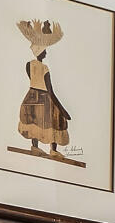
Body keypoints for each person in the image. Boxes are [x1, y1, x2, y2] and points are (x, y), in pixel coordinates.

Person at [12, 18, 78, 163]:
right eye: (45, 51)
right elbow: (50, 91)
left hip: (30, 97)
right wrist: (62, 110)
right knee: (55, 120)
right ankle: (53, 150)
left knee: (34, 121)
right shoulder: (45, 68)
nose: (46, 54)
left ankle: (34, 146)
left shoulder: (28, 64)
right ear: (41, 51)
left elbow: (32, 79)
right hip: (43, 98)